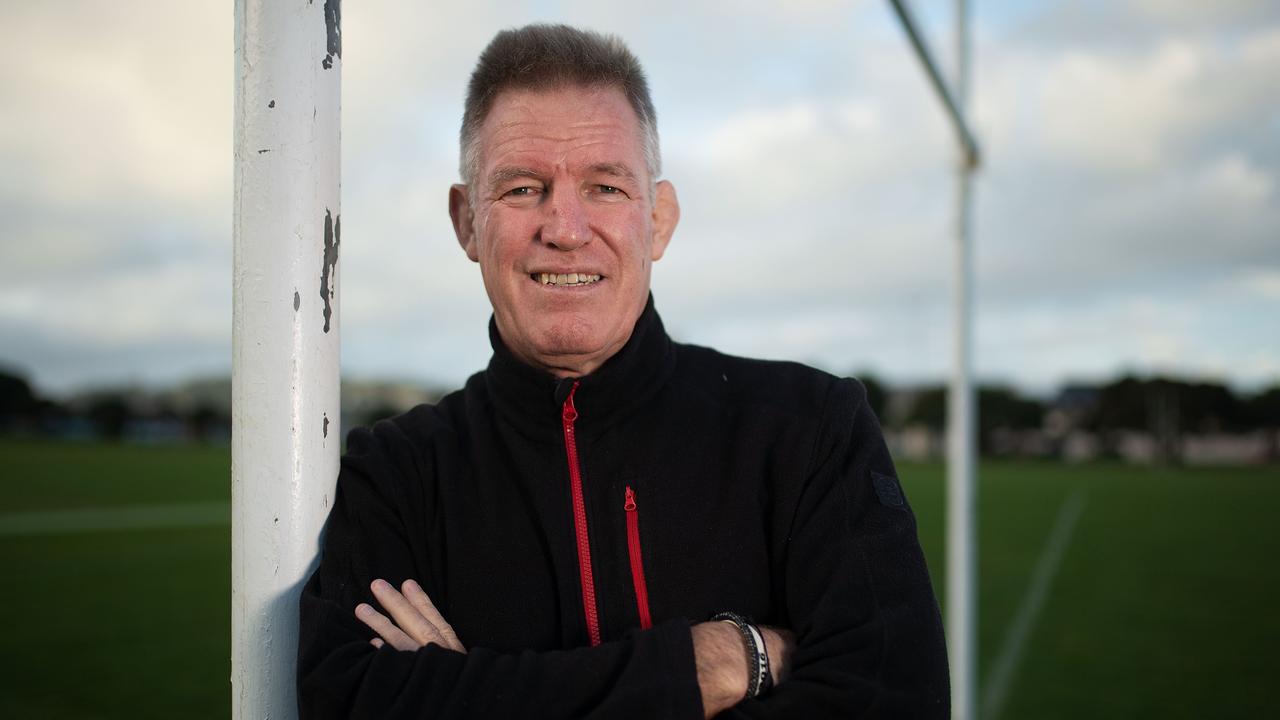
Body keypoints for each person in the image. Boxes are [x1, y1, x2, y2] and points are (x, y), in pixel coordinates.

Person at [298, 23, 949, 719]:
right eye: (523, 189)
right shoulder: (397, 475)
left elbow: (894, 701)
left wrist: (470, 693)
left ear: (659, 220)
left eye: (606, 187)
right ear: (466, 223)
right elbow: (346, 701)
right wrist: (698, 669)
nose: (567, 228)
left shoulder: (810, 433)